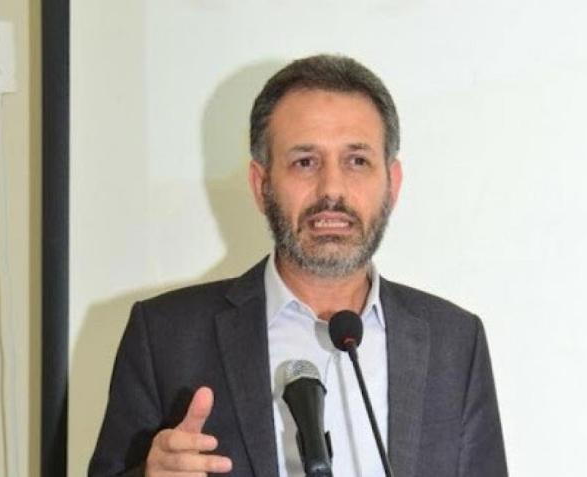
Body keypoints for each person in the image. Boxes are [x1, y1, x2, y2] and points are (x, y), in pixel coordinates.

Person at [89, 54, 507, 477]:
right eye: (305, 162)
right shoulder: (167, 337)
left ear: (392, 184)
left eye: (357, 161)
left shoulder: (455, 343)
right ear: (261, 185)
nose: (332, 190)